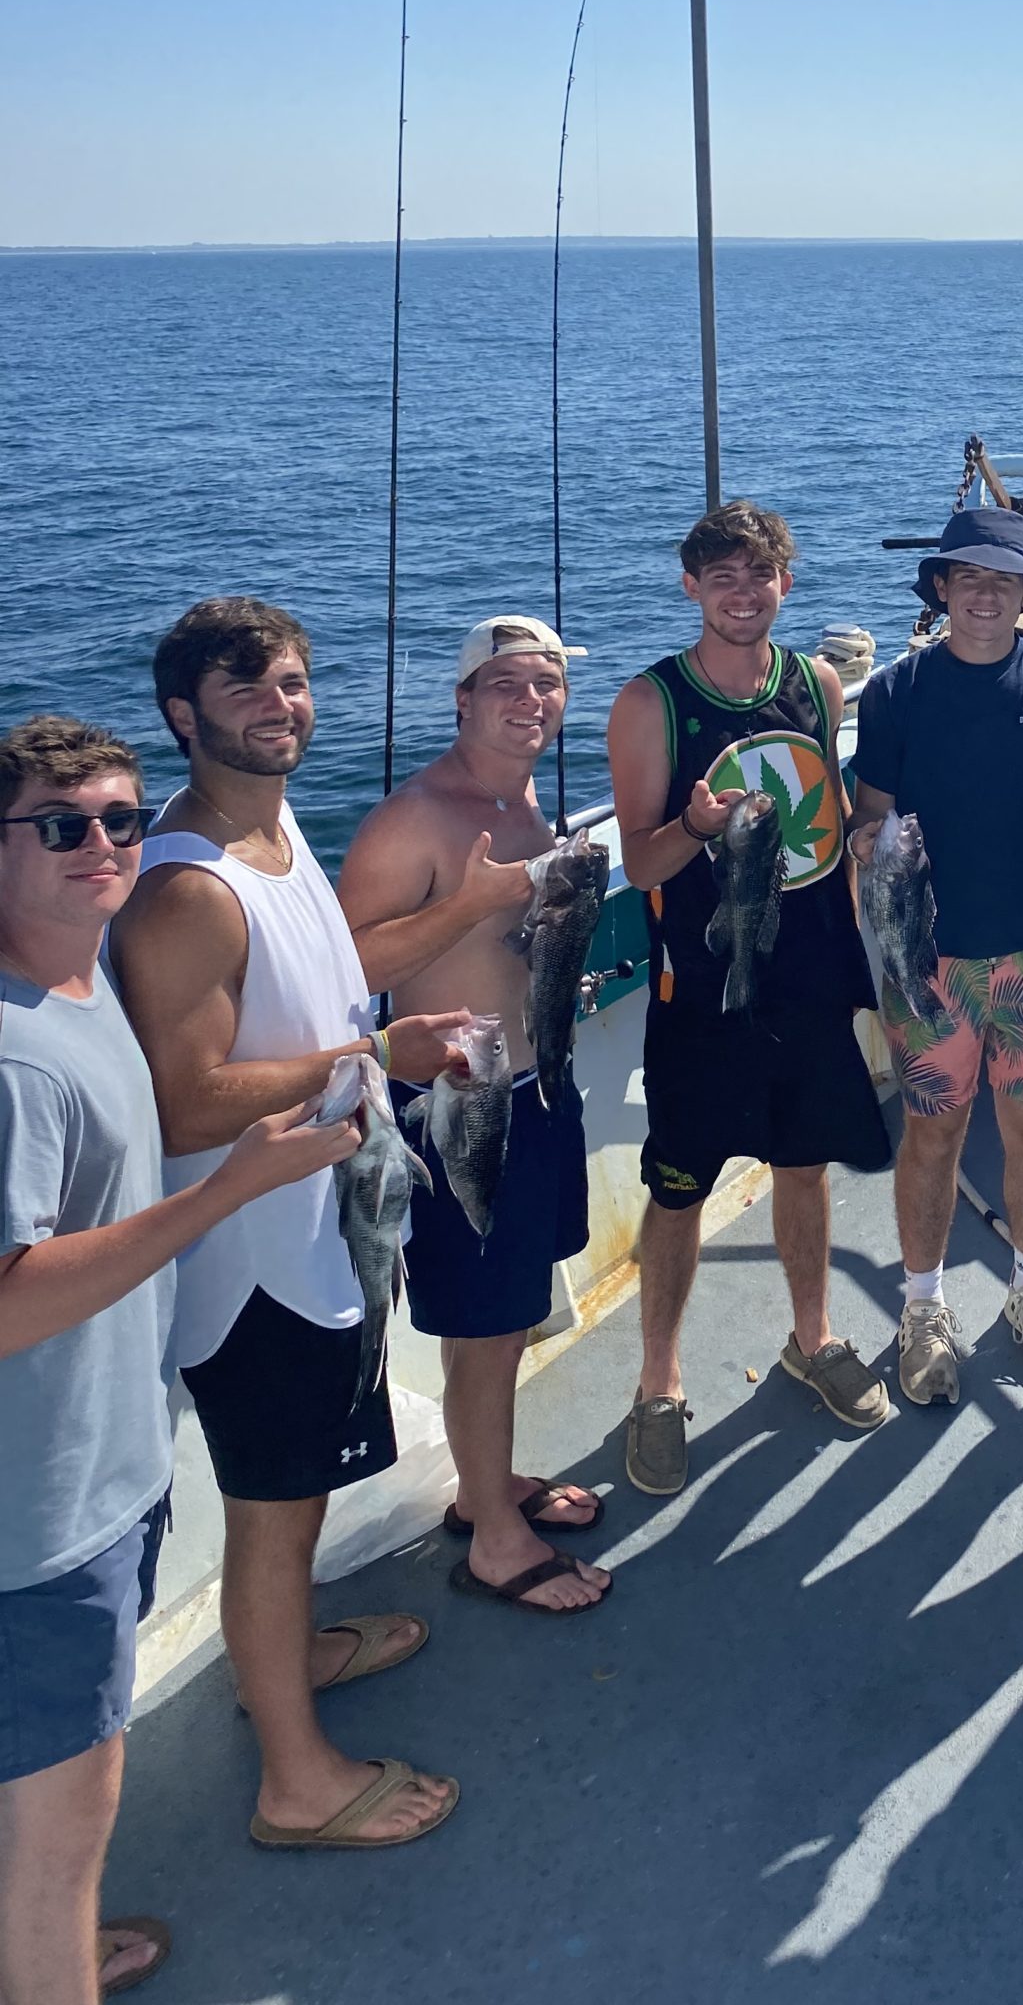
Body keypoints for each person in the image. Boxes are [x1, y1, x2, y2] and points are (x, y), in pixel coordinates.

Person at [0, 714, 362, 2003]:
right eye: (60, 826)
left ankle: (44, 1945)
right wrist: (228, 1192)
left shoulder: (79, 980)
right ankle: (53, 1953)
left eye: (116, 817)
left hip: (104, 1449)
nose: (105, 846)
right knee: (67, 1815)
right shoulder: (15, 1051)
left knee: (45, 1808)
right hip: (35, 1513)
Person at [111, 598, 466, 1852]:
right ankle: (294, 1785)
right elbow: (183, 1097)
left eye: (296, 682)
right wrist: (370, 1049)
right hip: (249, 1265)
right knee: (272, 1508)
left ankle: (296, 1648)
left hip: (321, 1232)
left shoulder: (273, 830)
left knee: (302, 1492)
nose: (282, 704)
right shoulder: (188, 889)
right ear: (181, 714)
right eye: (248, 686)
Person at [608, 503, 891, 1495]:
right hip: (703, 988)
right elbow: (640, 857)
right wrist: (689, 824)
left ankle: (811, 1337)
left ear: (786, 585)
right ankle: (658, 1381)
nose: (741, 592)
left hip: (807, 977)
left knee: (804, 1167)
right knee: (679, 1191)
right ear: (690, 586)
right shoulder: (652, 704)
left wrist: (870, 959)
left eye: (759, 575)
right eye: (720, 575)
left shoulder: (816, 683)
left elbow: (834, 817)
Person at [338, 617, 610, 1616]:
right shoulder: (412, 819)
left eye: (547, 683)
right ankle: (498, 1542)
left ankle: (484, 1487)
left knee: (509, 1313)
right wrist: (469, 905)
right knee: (490, 1326)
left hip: (539, 1088)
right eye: (506, 683)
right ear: (461, 699)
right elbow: (351, 968)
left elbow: (511, 945)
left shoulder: (529, 805)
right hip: (460, 1105)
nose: (531, 700)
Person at [849, 504, 1023, 1405]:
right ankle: (923, 1309)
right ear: (941, 590)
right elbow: (867, 817)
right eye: (968, 578)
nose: (986, 594)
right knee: (934, 1134)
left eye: (1004, 580)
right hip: (930, 963)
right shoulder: (893, 692)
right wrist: (867, 850)